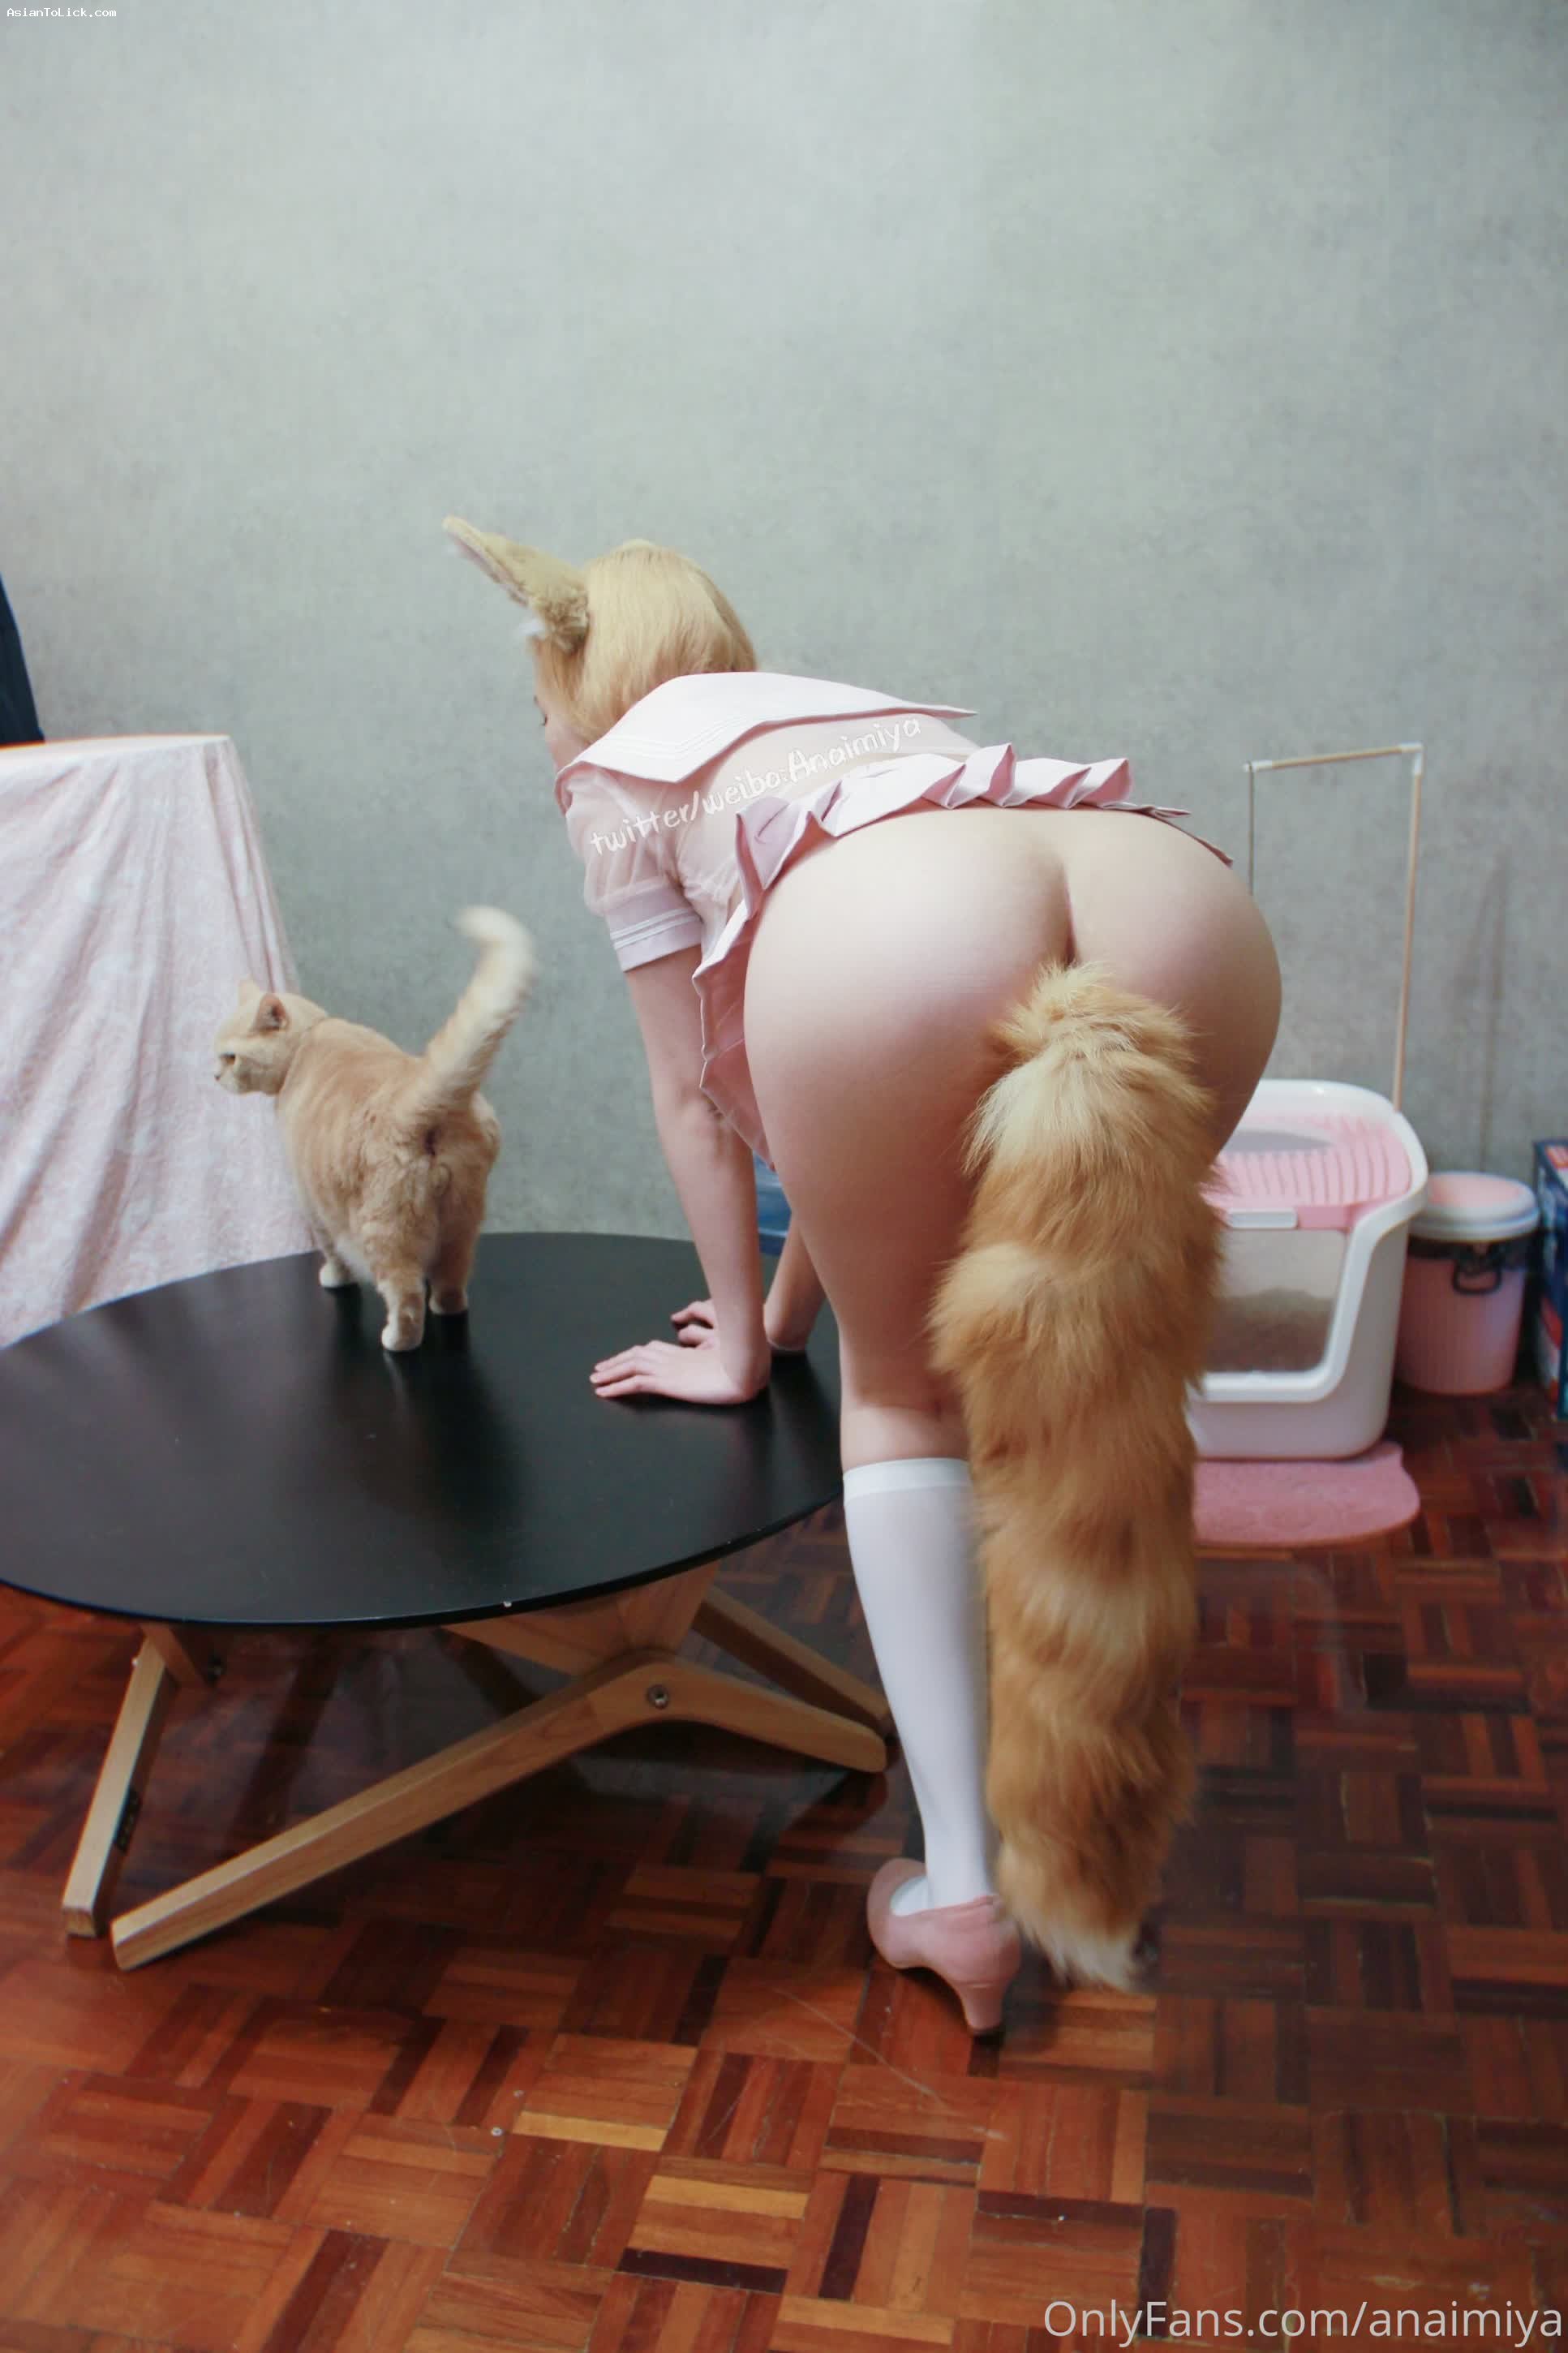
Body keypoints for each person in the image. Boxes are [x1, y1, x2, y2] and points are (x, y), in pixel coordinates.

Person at [447, 518, 1282, 2032]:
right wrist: (782, 1308)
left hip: (897, 933)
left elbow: (699, 1096)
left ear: (576, 679)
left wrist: (741, 1347)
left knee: (903, 1399)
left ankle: (960, 1890)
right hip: (1173, 896)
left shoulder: (619, 772)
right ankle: (1067, 1831)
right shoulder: (830, 715)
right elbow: (860, 1180)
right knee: (1096, 1366)